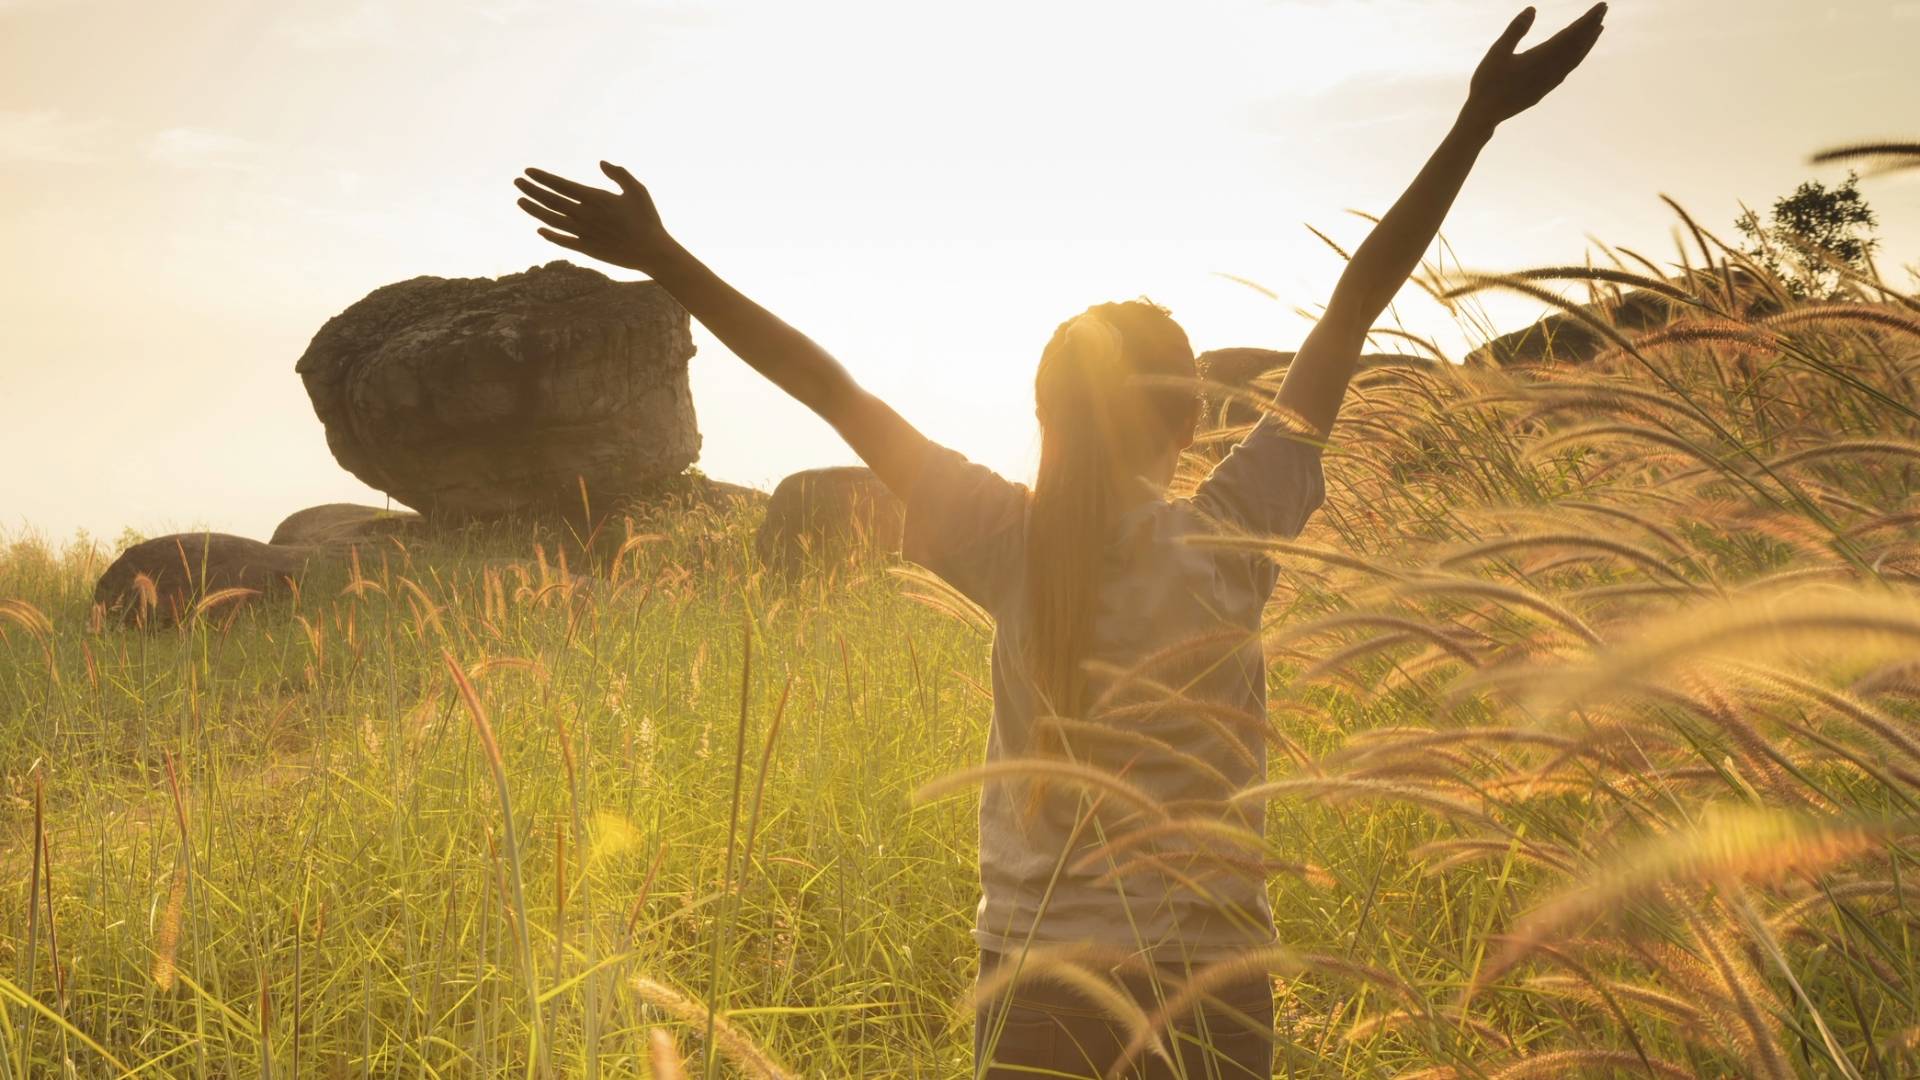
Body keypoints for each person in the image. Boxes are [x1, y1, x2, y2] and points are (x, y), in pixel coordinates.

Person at [514, 5, 1604, 1075]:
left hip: (1037, 982)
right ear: (1189, 421)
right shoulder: (1234, 530)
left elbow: (828, 387)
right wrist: (1474, 122)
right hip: (1214, 984)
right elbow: (1351, 310)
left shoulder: (1003, 538)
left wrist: (666, 258)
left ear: (1042, 419)